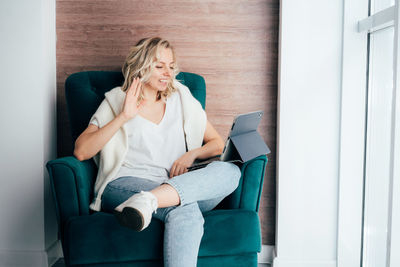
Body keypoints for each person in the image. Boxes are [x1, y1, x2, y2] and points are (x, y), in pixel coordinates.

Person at [73, 37, 241, 267]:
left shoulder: (181, 97)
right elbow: (81, 151)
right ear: (141, 66)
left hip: (173, 183)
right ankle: (149, 197)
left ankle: (148, 200)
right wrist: (124, 116)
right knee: (186, 210)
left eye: (171, 67)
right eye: (159, 66)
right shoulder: (118, 99)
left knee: (230, 171)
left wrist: (190, 155)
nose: (167, 73)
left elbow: (216, 144)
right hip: (125, 183)